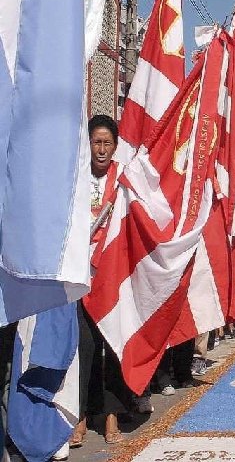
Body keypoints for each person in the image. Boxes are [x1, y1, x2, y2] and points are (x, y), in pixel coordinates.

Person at [72, 115, 131, 447]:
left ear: (115, 146)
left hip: (112, 275)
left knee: (112, 344)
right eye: (97, 142)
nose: (102, 149)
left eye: (108, 143)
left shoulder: (123, 180)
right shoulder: (77, 176)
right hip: (79, 277)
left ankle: (111, 415)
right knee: (85, 346)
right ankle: (80, 414)